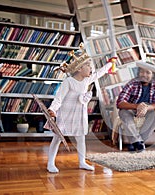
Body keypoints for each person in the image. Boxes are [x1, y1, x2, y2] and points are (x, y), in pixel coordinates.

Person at [45, 43, 115, 173]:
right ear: (79, 68)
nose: (91, 68)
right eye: (88, 65)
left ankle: (82, 162)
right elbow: (58, 98)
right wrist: (53, 110)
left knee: (81, 138)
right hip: (66, 115)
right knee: (58, 138)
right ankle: (50, 163)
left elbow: (99, 73)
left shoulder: (86, 81)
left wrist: (110, 64)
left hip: (79, 115)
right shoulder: (69, 82)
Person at [116, 64, 155, 152]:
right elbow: (120, 103)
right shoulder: (132, 83)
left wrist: (147, 107)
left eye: (148, 72)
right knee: (122, 112)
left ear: (152, 75)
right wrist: (137, 106)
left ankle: (136, 142)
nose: (144, 74)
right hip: (132, 109)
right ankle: (138, 142)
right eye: (142, 71)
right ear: (138, 73)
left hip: (148, 110)